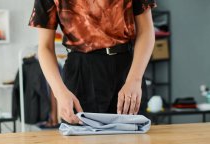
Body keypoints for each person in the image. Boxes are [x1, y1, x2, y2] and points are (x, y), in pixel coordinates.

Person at [29, 0, 157, 124]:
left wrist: (134, 80)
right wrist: (59, 92)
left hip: (127, 71)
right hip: (80, 73)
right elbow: (45, 47)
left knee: (133, 142)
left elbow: (146, 31)